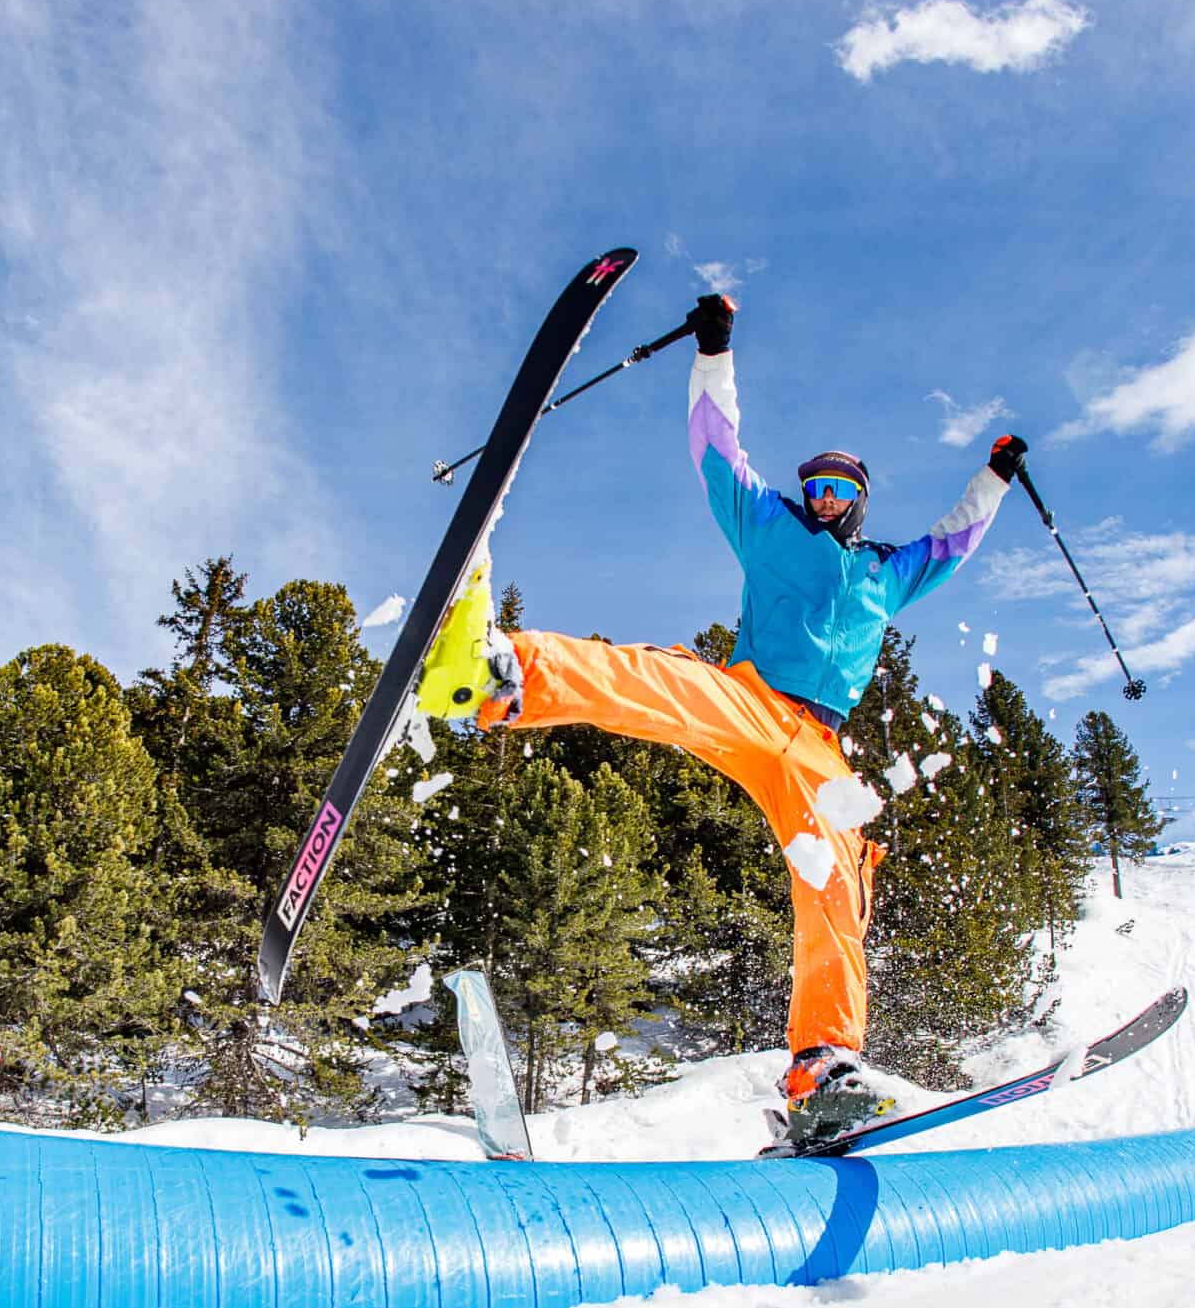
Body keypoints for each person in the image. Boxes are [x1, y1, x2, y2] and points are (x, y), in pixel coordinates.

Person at [419, 291, 1021, 1150]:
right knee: (668, 685)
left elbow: (953, 540)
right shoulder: (772, 525)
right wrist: (714, 353)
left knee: (838, 883)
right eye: (813, 485)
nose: (819, 498)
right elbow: (716, 449)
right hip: (754, 699)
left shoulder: (889, 574)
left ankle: (823, 1069)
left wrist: (993, 475)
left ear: (859, 500)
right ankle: (499, 673)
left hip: (820, 751)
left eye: (837, 489)